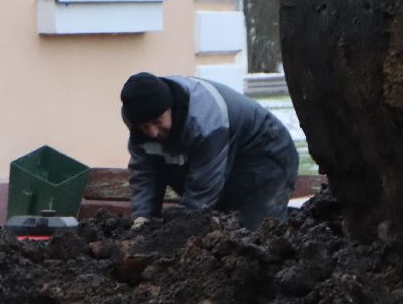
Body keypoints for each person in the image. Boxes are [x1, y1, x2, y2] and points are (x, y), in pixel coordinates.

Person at [119, 71, 299, 228]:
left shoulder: (205, 120)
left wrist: (180, 228)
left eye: (157, 121)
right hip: (220, 162)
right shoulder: (137, 120)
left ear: (171, 107)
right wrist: (143, 216)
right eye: (144, 126)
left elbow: (203, 190)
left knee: (259, 232)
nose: (152, 132)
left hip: (265, 155)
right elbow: (146, 171)